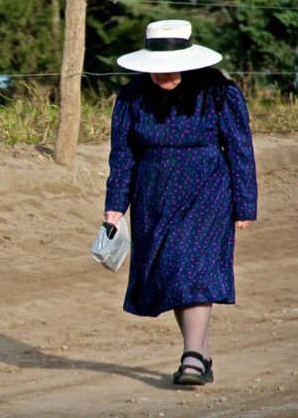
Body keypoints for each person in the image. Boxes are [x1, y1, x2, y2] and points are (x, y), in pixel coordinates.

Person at [103, 20, 258, 386]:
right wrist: (115, 204)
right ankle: (200, 352)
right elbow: (122, 156)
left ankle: (190, 356)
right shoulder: (131, 98)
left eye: (170, 66)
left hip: (208, 189)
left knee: (194, 266)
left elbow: (239, 148)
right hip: (153, 195)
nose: (162, 74)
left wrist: (245, 203)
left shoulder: (219, 92)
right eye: (156, 67)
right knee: (172, 273)